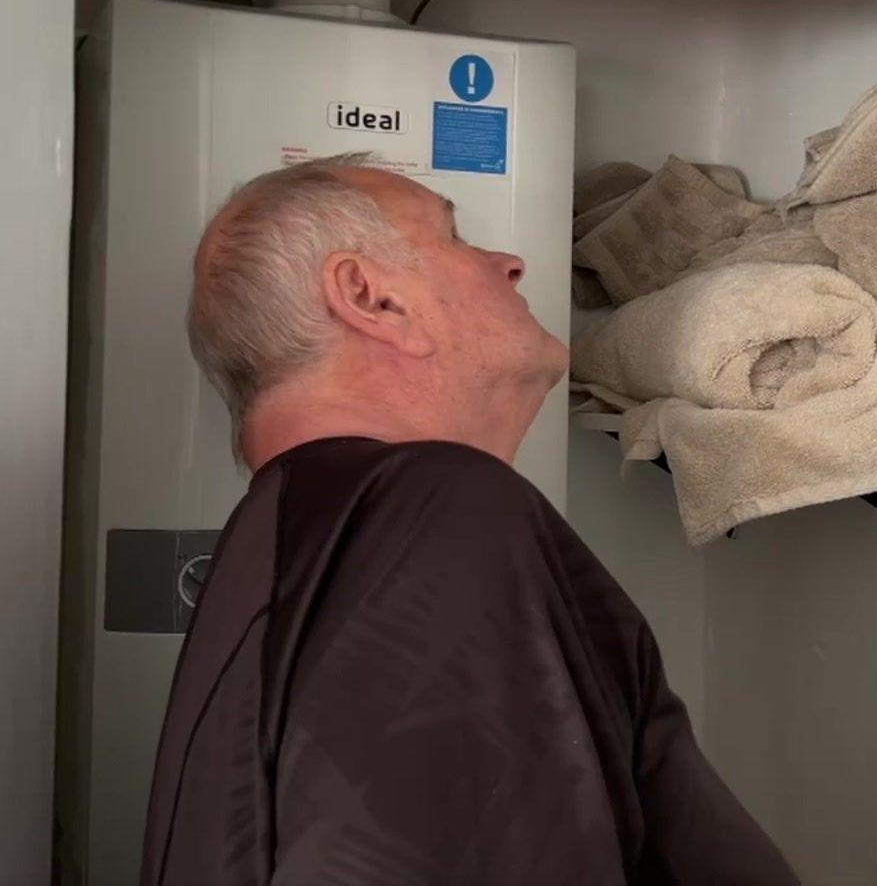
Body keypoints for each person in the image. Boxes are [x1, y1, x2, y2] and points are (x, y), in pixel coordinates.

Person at [141, 154, 796, 885]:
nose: (509, 263)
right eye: (454, 237)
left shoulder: (283, 550)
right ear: (371, 298)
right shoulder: (431, 513)